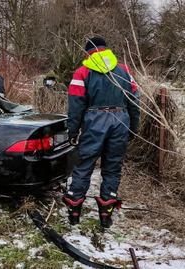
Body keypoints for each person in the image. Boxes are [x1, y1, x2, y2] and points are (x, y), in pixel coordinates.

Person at [62, 37, 140, 228]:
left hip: (94, 120)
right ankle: (106, 216)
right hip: (121, 120)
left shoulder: (82, 72)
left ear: (88, 52)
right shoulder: (124, 70)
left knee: (83, 166)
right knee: (112, 168)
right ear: (106, 49)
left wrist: (72, 131)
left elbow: (75, 105)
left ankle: (74, 213)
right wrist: (133, 127)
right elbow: (134, 100)